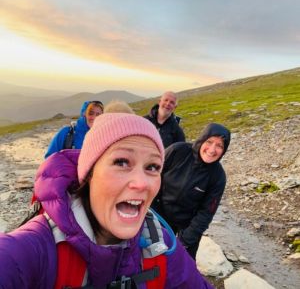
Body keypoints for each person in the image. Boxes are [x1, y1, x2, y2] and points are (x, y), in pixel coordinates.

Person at [0, 113, 213, 288]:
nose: (141, 183)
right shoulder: (35, 250)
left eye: (152, 167)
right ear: (89, 174)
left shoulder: (159, 244)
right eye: (121, 162)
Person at [152, 123, 231, 260]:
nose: (212, 150)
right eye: (210, 142)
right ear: (202, 140)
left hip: (188, 223)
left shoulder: (218, 176)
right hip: (160, 213)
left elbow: (206, 213)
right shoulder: (177, 151)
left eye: (219, 146)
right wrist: (150, 213)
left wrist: (184, 242)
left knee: (183, 263)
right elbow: (153, 177)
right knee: (152, 255)